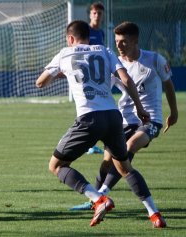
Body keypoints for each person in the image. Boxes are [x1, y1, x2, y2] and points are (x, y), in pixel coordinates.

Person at [35, 20, 166, 228]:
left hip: (89, 118)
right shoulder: (105, 50)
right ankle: (154, 214)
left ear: (70, 39)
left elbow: (40, 82)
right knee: (125, 167)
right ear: (88, 36)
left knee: (56, 165)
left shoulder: (65, 53)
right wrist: (140, 109)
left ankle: (99, 199)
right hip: (114, 117)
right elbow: (126, 80)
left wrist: (63, 73)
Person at [70, 22, 177, 228]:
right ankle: (95, 199)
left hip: (150, 119)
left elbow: (169, 85)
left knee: (128, 148)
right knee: (107, 158)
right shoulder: (114, 63)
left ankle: (102, 195)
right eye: (117, 41)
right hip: (123, 119)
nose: (119, 45)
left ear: (135, 41)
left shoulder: (154, 59)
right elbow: (102, 87)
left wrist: (174, 112)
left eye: (124, 41)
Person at [86, 1, 105, 155]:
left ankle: (93, 143)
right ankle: (89, 144)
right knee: (90, 110)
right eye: (94, 13)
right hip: (87, 77)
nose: (97, 16)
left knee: (98, 110)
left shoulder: (101, 33)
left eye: (99, 13)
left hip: (99, 77)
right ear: (90, 14)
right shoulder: (86, 31)